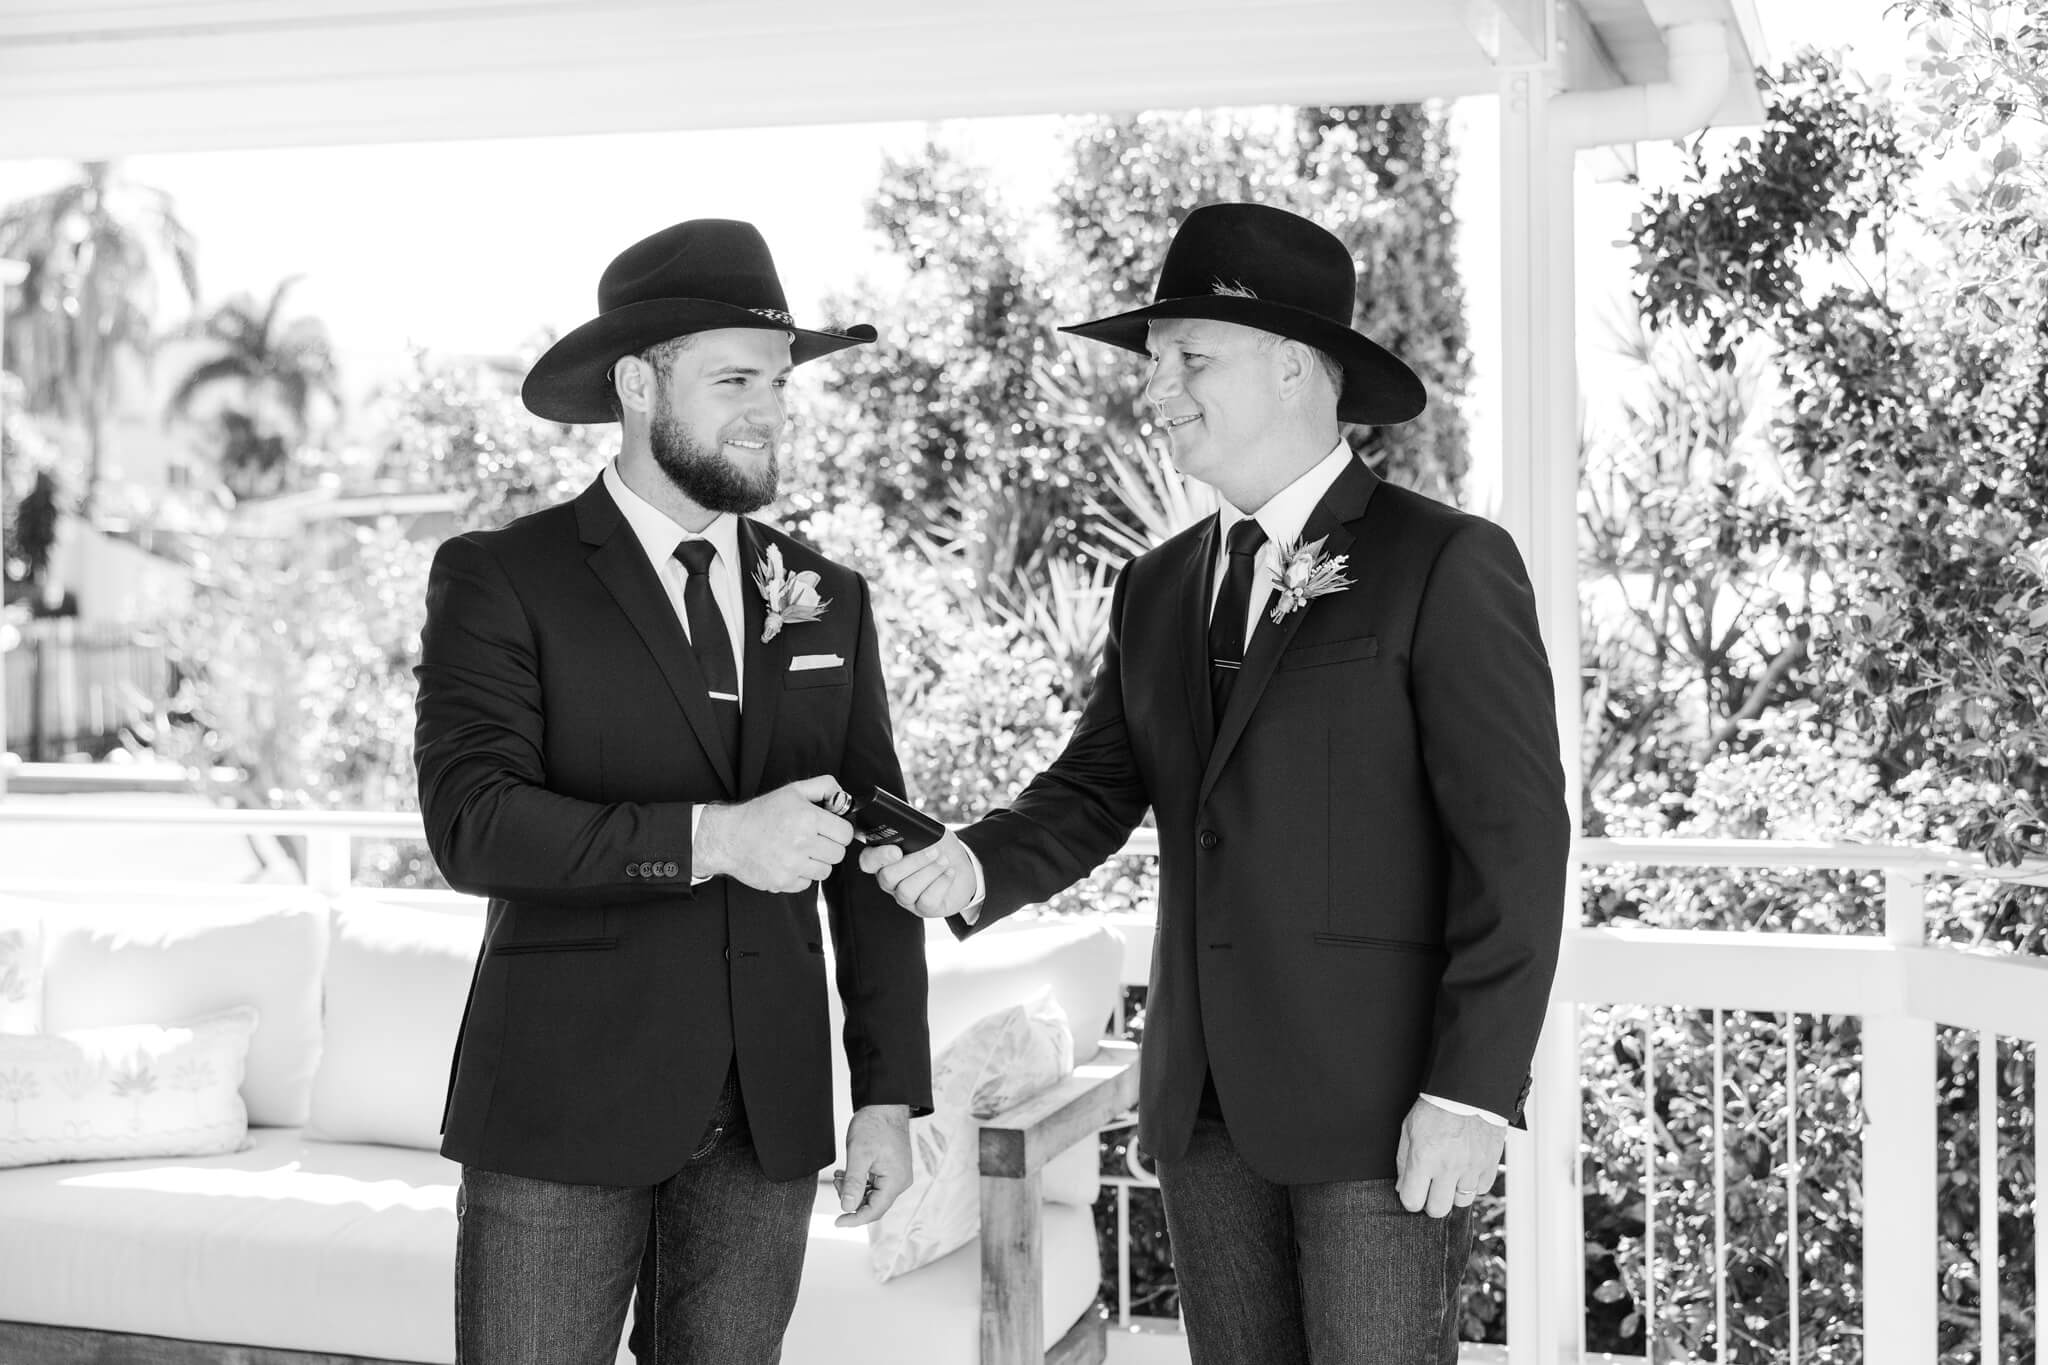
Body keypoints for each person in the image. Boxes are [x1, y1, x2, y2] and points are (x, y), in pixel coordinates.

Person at [863, 202, 1568, 1364]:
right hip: (1200, 1110)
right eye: (1152, 367)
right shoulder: (1155, 587)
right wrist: (973, 860)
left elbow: (1515, 844)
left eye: (1188, 359)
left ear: (1294, 368)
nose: (1156, 393)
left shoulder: (1443, 561)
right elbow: (1095, 786)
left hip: (1380, 1109)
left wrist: (1473, 1090)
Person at [414, 218, 933, 1364]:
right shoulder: (503, 578)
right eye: (736, 378)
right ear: (639, 384)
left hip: (770, 1119)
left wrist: (891, 1091)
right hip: (560, 1106)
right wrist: (713, 838)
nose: (769, 409)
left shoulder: (826, 596)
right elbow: (472, 825)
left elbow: (871, 854)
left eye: (780, 384)